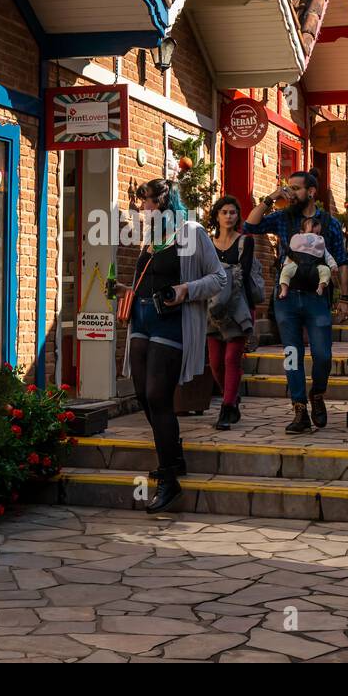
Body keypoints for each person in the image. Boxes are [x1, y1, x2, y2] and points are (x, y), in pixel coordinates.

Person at [121, 179, 227, 513]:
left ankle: (169, 480)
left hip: (171, 322)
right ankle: (173, 453)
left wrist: (185, 290)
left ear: (166, 204)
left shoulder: (191, 232)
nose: (146, 209)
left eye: (150, 203)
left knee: (157, 395)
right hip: (141, 318)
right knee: (141, 394)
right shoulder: (150, 238)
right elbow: (147, 280)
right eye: (144, 204)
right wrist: (125, 290)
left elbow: (219, 278)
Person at [243, 170, 348, 433]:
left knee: (323, 355)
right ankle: (299, 408)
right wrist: (272, 197)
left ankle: (317, 394)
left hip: (317, 298)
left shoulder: (329, 223)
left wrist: (345, 297)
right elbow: (250, 225)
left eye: (296, 188)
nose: (290, 192)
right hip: (286, 298)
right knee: (292, 354)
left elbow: (342, 261)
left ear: (311, 192)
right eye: (287, 187)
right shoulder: (283, 217)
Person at [206, 196, 255, 431]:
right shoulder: (208, 243)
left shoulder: (245, 241)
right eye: (224, 212)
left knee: (231, 359)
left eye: (233, 212)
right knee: (215, 363)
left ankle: (226, 409)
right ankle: (231, 396)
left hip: (238, 307)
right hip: (212, 309)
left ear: (238, 216)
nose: (228, 216)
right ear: (216, 215)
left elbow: (242, 276)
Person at [277, 217, 335, 298]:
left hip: (315, 266)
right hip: (297, 265)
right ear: (302, 232)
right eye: (311, 232)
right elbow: (291, 254)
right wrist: (286, 264)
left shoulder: (319, 245)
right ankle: (284, 289)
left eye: (317, 233)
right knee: (285, 271)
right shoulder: (298, 242)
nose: (314, 236)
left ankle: (321, 286)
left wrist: (333, 265)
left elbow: (327, 255)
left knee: (326, 270)